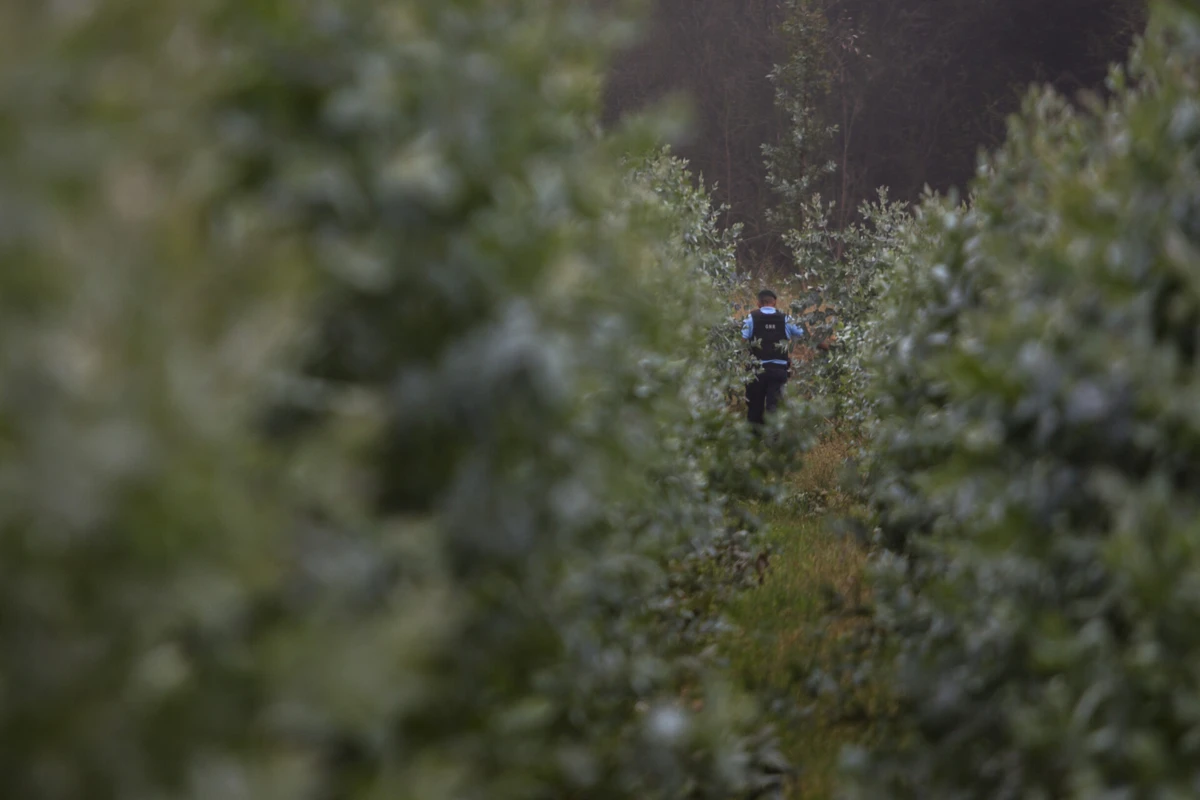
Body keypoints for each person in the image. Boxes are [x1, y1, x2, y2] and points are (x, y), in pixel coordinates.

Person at [741, 289, 805, 426]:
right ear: (774, 302)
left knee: (754, 410)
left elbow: (740, 340)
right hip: (778, 370)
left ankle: (754, 443)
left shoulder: (751, 318)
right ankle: (774, 442)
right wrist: (828, 347)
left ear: (758, 303)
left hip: (756, 371)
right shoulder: (786, 318)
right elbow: (805, 335)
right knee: (774, 409)